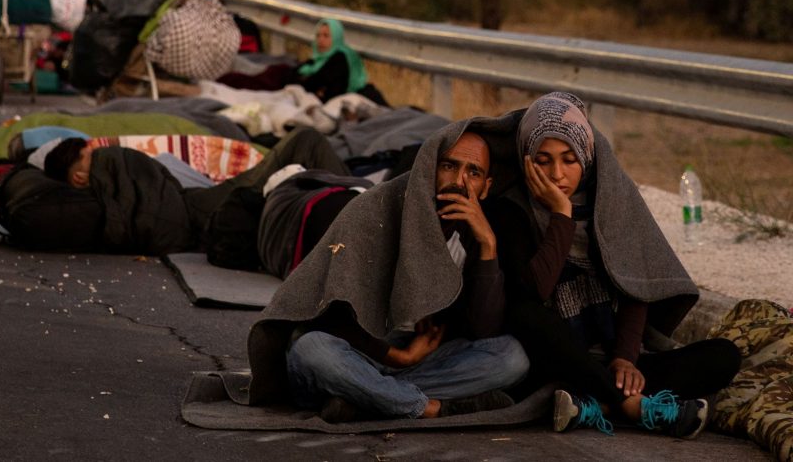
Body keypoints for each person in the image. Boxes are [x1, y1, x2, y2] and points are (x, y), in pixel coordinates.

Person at [491, 92, 741, 439]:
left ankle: (598, 404)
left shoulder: (609, 202)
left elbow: (634, 281)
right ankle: (631, 406)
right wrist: (561, 215)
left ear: (587, 159)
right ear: (525, 160)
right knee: (524, 313)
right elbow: (536, 289)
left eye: (569, 159)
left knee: (724, 356)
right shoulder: (510, 210)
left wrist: (625, 358)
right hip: (551, 361)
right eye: (543, 160)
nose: (557, 174)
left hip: (606, 359)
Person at [245, 120, 530, 422]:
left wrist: (488, 246)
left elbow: (483, 330)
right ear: (429, 168)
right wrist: (397, 356)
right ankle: (428, 407)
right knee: (312, 350)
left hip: (418, 366)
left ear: (485, 187)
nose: (459, 181)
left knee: (511, 357)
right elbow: (327, 316)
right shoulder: (376, 209)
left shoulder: (476, 234)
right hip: (357, 354)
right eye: (449, 166)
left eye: (473, 173)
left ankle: (365, 400)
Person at [42, 127, 351, 256]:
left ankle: (363, 206)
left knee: (303, 148)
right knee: (306, 140)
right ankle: (368, 209)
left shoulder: (102, 195)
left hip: (201, 200)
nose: (97, 153)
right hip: (206, 209)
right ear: (80, 176)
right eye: (89, 155)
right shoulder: (106, 170)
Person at [295, 18, 388, 105]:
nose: (321, 40)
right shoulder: (318, 59)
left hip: (365, 99)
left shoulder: (341, 57)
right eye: (318, 36)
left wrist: (312, 85)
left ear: (336, 37)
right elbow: (294, 78)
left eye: (326, 36)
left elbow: (316, 84)